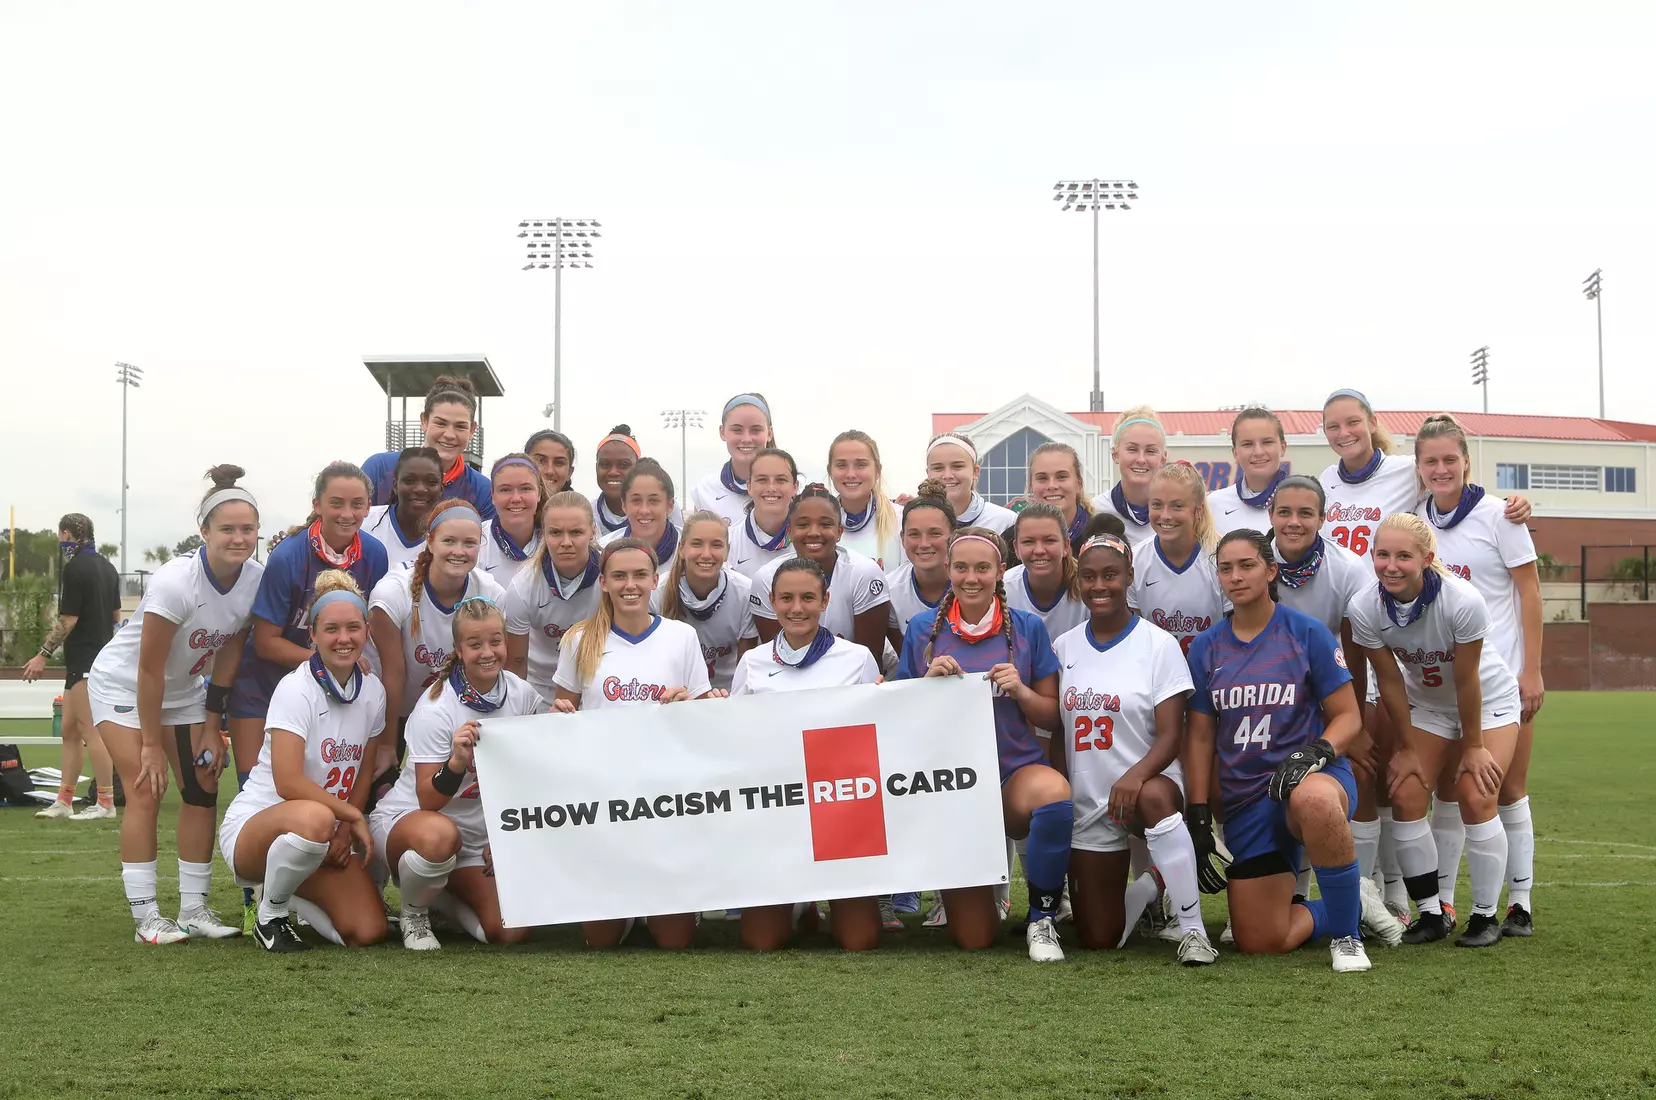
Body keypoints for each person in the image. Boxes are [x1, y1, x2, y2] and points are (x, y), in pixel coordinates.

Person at [1183, 530, 1388, 973]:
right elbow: (1199, 737)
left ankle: (1347, 938)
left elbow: (1348, 716)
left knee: (1313, 800)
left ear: (1271, 571)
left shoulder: (1307, 633)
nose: (1236, 576)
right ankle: (1350, 902)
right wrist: (1198, 812)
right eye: (1226, 568)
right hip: (1247, 797)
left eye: (1247, 565)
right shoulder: (1206, 647)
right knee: (1262, 940)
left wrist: (1316, 753)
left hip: (1311, 778)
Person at [88, 465, 264, 944]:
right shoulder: (175, 582)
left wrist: (212, 724)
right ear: (203, 531)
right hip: (124, 687)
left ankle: (193, 909)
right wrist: (150, 745)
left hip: (184, 691)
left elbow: (229, 651)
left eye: (247, 529)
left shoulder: (254, 579)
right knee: (145, 788)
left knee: (203, 783)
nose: (238, 538)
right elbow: (148, 670)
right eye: (227, 529)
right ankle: (146, 917)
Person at [894, 527, 1072, 962]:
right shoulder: (922, 629)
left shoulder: (1027, 627)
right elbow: (898, 719)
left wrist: (1021, 691)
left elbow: (1051, 715)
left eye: (981, 568)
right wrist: (926, 685)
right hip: (951, 784)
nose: (971, 578)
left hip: (1012, 772)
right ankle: (980, 896)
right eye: (961, 567)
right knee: (975, 937)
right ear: (948, 569)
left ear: (1000, 571)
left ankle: (1042, 918)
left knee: (1053, 794)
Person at [224, 461, 389, 931]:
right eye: (336, 502)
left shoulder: (371, 689)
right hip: (268, 687)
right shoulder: (289, 557)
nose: (347, 512)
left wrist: (346, 822)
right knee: (307, 812)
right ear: (317, 505)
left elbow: (363, 768)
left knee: (368, 931)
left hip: (323, 812)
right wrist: (324, 661)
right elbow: (265, 641)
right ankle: (265, 908)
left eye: (357, 503)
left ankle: (293, 894)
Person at [1351, 514, 1523, 949]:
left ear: (1427, 559)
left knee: (1476, 793)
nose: (1391, 565)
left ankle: (1484, 916)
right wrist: (1408, 748)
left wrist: (1474, 746)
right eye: (1382, 554)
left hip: (1489, 703)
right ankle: (1431, 913)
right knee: (1406, 792)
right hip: (1428, 706)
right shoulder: (1364, 607)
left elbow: (1467, 680)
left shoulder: (1461, 600)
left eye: (1403, 556)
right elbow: (1390, 681)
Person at [1050, 530, 1216, 965]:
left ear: (1129, 576)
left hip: (1147, 785)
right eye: (1089, 577)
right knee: (1098, 938)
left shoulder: (1158, 644)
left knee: (1155, 796)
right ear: (1078, 581)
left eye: (1110, 575)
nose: (1099, 586)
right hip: (1089, 800)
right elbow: (1058, 731)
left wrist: (1135, 776)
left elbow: (1172, 735)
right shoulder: (1064, 647)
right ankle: (1151, 885)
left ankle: (1193, 930)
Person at [1412, 414, 1544, 936]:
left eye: (1450, 459)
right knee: (1447, 792)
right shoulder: (1415, 521)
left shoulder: (1499, 516)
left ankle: (1519, 903)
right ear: (1418, 467)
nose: (1441, 469)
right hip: (1443, 685)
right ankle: (1442, 903)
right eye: (1430, 461)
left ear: (1467, 461)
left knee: (1504, 788)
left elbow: (1530, 593)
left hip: (1502, 679)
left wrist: (1531, 670)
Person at [552, 539, 719, 950]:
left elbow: (704, 725)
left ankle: (673, 900)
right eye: (620, 576)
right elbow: (562, 717)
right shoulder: (579, 640)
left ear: (655, 580)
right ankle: (624, 905)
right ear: (604, 583)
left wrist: (690, 706)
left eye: (640, 575)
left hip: (665, 798)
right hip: (606, 797)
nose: (630, 585)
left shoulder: (681, 637)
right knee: (601, 941)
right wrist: (559, 718)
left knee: (675, 941)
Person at [371, 597, 546, 950]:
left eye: (495, 641)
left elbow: (531, 775)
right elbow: (428, 800)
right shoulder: (436, 707)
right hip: (414, 823)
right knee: (439, 836)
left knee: (509, 931)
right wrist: (455, 763)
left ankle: (439, 898)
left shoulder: (522, 695)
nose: (487, 652)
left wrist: (506, 838)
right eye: (475, 644)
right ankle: (414, 912)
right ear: (458, 649)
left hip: (477, 838)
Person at [729, 557, 882, 951]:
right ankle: (800, 905)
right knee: (761, 941)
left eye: (808, 598)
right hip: (778, 811)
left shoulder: (856, 657)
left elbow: (876, 733)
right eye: (786, 598)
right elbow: (735, 735)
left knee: (860, 940)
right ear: (772, 602)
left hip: (838, 810)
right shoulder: (753, 661)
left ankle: (830, 897)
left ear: (825, 600)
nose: (797, 608)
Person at [1266, 475, 1391, 927]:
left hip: (1339, 687)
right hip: (1275, 695)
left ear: (1323, 518)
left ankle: (1365, 888)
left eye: (1305, 513)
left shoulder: (1348, 568)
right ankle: (1294, 894)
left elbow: (1355, 650)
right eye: (1284, 512)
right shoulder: (1256, 562)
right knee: (1279, 782)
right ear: (1270, 515)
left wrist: (1350, 725)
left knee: (1359, 774)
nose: (1294, 522)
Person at [367, 500, 505, 777]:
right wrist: (387, 744)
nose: (459, 551)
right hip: (392, 712)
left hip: (454, 712)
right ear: (430, 541)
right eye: (449, 541)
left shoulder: (491, 592)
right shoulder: (392, 593)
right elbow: (393, 673)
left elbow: (497, 665)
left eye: (469, 543)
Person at [26, 514, 121, 821]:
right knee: (69, 729)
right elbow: (116, 616)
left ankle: (105, 802)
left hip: (87, 662)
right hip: (95, 659)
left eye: (60, 536)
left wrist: (42, 654)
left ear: (66, 534)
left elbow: (68, 620)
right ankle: (64, 800)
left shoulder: (75, 568)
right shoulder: (107, 567)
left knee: (91, 732)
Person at [749, 485, 890, 667]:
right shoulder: (767, 578)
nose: (814, 532)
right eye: (803, 525)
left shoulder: (864, 573)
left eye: (825, 524)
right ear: (789, 532)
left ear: (839, 532)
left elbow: (869, 659)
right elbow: (777, 659)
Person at [503, 491, 602, 703]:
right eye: (556, 533)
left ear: (593, 531)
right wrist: (518, 711)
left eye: (576, 532)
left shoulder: (610, 577)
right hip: (539, 685)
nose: (566, 542)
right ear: (544, 533)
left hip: (595, 682)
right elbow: (517, 662)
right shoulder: (524, 584)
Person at [361, 376, 493, 518]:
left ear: (472, 430)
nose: (449, 435)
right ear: (424, 421)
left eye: (460, 426)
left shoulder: (482, 490)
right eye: (440, 423)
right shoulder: (380, 468)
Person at [654, 510, 757, 692]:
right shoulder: (657, 593)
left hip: (727, 695)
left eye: (716, 545)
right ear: (681, 549)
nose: (706, 554)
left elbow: (745, 669)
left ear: (727, 552)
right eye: (697, 544)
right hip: (675, 696)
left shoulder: (745, 592)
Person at [1128, 463, 1223, 656]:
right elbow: (1135, 636)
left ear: (1198, 510)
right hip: (1156, 671)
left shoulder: (1221, 557)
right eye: (1156, 504)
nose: (1165, 515)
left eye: (1177, 506)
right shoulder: (1135, 560)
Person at [884, 481, 956, 646]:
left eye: (935, 533)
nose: (924, 544)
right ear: (902, 538)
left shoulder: (972, 582)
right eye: (914, 534)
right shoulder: (890, 590)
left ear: (954, 536)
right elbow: (903, 655)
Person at [690, 393, 777, 529]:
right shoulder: (705, 491)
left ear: (769, 433)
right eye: (737, 430)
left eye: (755, 430)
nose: (746, 439)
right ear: (722, 432)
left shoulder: (795, 488)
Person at [1003, 503, 1088, 640]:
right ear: (1016, 548)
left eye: (1049, 540)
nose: (1039, 550)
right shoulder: (1004, 588)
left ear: (1066, 545)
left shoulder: (1088, 586)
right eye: (1028, 542)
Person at [1089, 407, 1169, 547]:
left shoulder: (1177, 514)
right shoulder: (1094, 512)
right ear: (1115, 454)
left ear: (1163, 458)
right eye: (1132, 449)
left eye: (1150, 451)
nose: (1141, 459)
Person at [1210, 408, 1291, 537]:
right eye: (1247, 444)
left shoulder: (1305, 500)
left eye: (1267, 442)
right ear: (1235, 453)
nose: (1258, 452)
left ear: (1283, 447)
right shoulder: (1214, 505)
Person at [827, 430, 902, 567]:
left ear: (877, 470)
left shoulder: (901, 520)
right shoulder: (817, 525)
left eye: (861, 464)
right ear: (830, 471)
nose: (851, 474)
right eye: (841, 465)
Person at [363, 447, 445, 571]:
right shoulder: (364, 522)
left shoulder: (452, 533)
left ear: (441, 488)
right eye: (409, 481)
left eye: (431, 482)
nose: (420, 489)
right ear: (395, 485)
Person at [725, 447, 800, 582]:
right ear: (749, 486)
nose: (771, 488)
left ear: (795, 487)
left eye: (781, 480)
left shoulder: (808, 541)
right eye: (762, 480)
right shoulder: (729, 542)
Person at [598, 458, 680, 574]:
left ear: (669, 505)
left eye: (653, 500)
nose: (644, 510)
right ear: (624, 505)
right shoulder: (604, 550)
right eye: (636, 500)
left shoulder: (688, 548)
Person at [924, 433, 1016, 534]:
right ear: (928, 473)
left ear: (975, 472)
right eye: (938, 468)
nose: (947, 475)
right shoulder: (913, 520)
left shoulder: (1005, 521)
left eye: (957, 466)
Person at [476, 454, 544, 580]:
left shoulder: (553, 541)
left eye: (525, 488)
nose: (516, 498)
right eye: (505, 490)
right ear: (493, 495)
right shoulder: (476, 541)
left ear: (539, 493)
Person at [1025, 442, 1094, 552]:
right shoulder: (1015, 539)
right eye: (1042, 478)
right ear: (1031, 486)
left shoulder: (1102, 535)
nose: (1051, 486)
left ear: (1079, 483)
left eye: (1061, 476)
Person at [593, 425, 643, 535]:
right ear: (596, 468)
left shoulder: (660, 511)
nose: (613, 472)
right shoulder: (587, 513)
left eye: (623, 465)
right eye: (605, 465)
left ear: (638, 468)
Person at [524, 428, 576, 496]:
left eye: (559, 463)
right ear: (524, 465)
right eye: (540, 461)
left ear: (569, 472)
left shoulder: (581, 503)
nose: (549, 471)